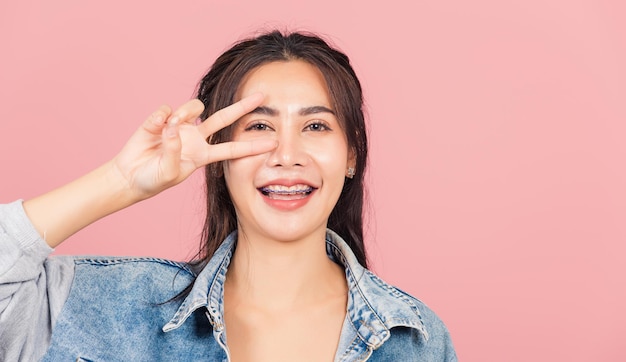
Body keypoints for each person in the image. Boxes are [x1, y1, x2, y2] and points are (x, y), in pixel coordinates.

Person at [0, 31, 457, 361]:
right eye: (260, 126)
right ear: (218, 157)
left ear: (352, 156)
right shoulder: (107, 306)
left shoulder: (415, 341)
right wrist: (120, 182)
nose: (287, 154)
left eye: (315, 126)